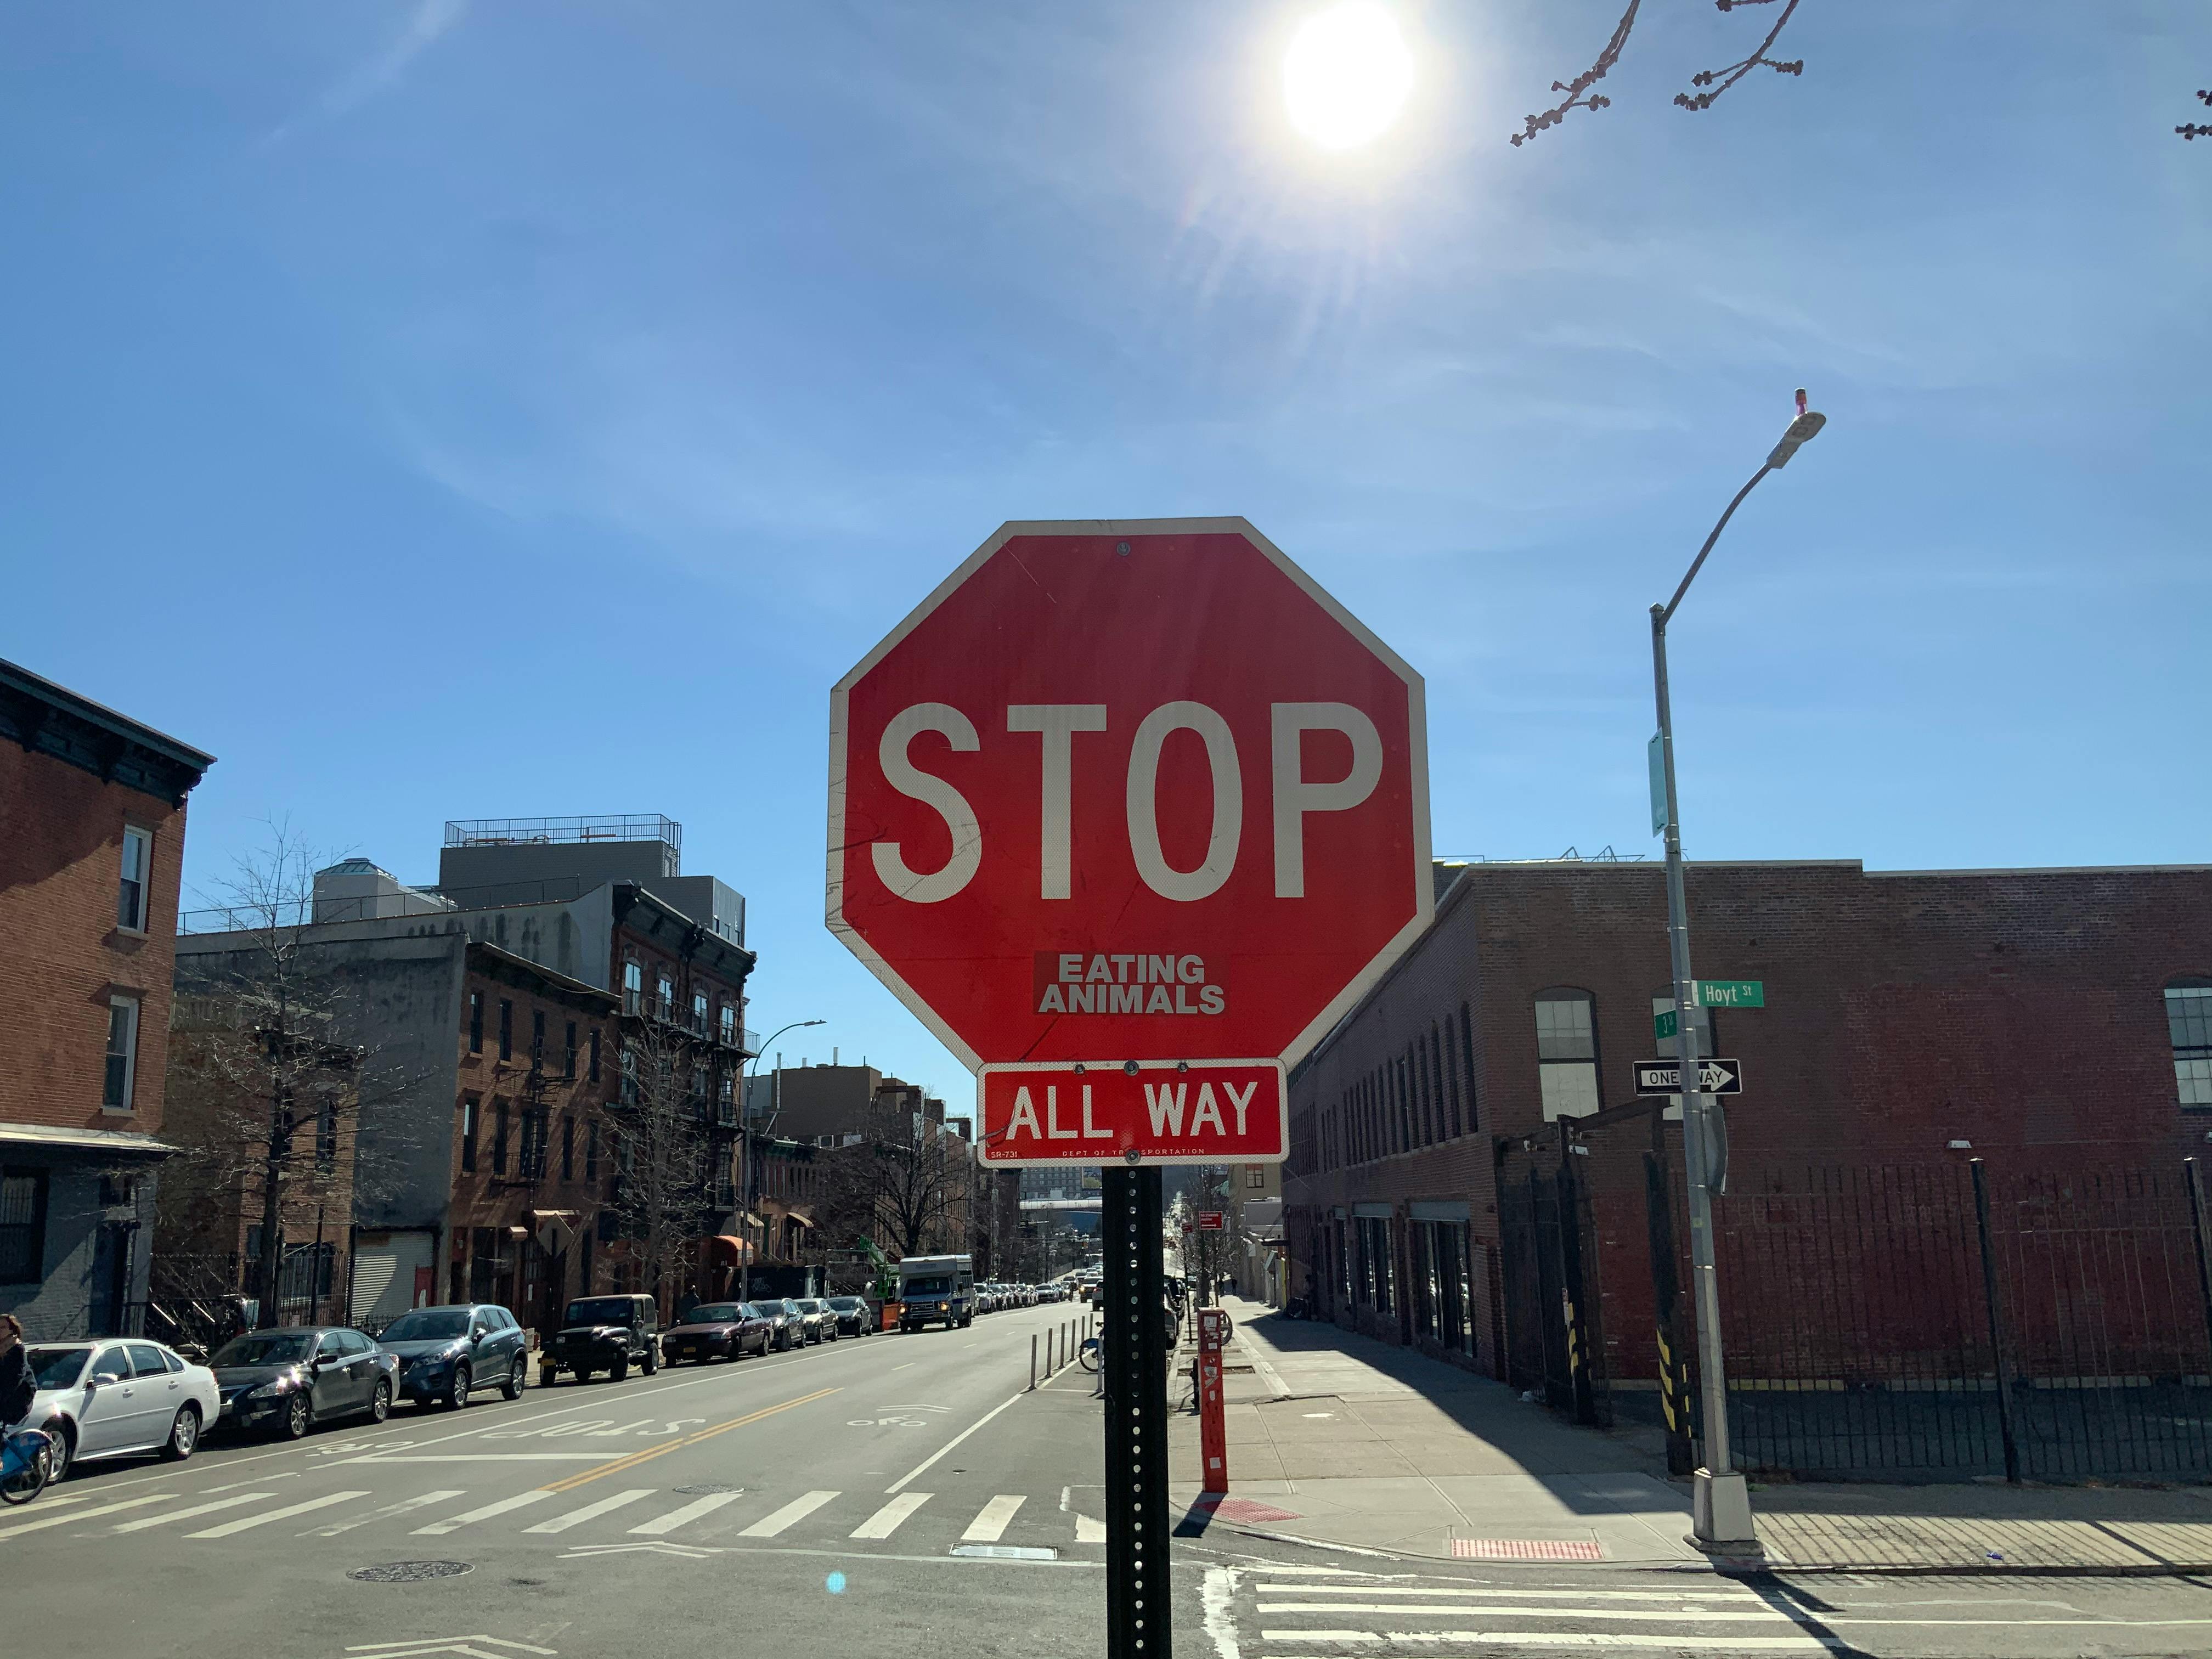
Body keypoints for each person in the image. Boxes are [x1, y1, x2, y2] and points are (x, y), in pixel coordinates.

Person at [0, 1314, 37, 1482]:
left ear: (12, 1330)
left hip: (19, 1396)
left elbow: (16, 1378)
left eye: (2, 1328)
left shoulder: (17, 1348)